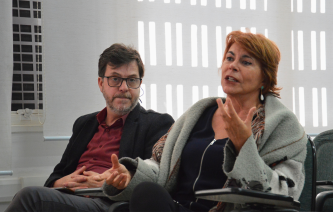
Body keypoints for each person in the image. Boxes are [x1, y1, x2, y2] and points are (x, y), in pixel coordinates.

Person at [100, 31, 308, 212]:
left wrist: (244, 147)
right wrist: (130, 173)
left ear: (265, 78)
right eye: (229, 58)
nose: (232, 66)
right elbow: (160, 165)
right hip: (178, 207)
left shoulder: (283, 125)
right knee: (146, 193)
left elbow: (286, 191)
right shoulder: (199, 113)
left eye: (245, 62)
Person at [5, 43, 174, 212]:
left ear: (140, 84)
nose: (124, 87)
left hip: (110, 203)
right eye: (115, 79)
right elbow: (55, 177)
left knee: (29, 198)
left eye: (132, 80)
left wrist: (114, 182)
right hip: (71, 197)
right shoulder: (84, 124)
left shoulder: (156, 123)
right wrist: (63, 182)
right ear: (101, 84)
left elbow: (156, 180)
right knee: (26, 197)